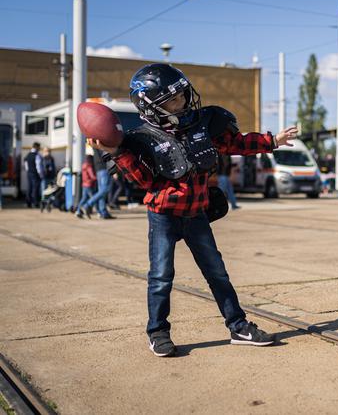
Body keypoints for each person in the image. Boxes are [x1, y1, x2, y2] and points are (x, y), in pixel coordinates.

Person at [87, 63, 297, 357]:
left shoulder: (203, 123)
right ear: (151, 105)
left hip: (196, 213)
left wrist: (272, 141)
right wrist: (116, 152)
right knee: (161, 276)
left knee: (217, 273)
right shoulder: (140, 140)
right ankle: (157, 332)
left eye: (183, 95)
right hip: (163, 216)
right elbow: (144, 181)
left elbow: (235, 143)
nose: (182, 102)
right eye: (172, 100)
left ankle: (238, 326)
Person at [79, 149, 114, 219]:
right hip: (104, 168)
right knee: (105, 189)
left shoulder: (94, 142)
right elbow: (107, 154)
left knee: (102, 191)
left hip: (98, 169)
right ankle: (88, 204)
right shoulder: (100, 141)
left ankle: (103, 212)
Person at [24, 142, 41, 208]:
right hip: (35, 173)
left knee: (29, 187)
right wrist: (40, 174)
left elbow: (26, 164)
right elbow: (38, 166)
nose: (39, 148)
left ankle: (28, 203)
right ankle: (36, 203)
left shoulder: (28, 154)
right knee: (35, 188)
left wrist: (28, 170)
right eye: (39, 147)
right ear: (36, 147)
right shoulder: (36, 155)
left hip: (29, 173)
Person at [39, 147, 57, 211]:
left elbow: (53, 167)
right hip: (45, 177)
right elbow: (40, 168)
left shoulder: (51, 158)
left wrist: (54, 175)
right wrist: (42, 175)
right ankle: (43, 203)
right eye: (46, 151)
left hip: (51, 177)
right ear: (43, 151)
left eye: (49, 151)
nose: (48, 152)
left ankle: (48, 203)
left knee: (50, 191)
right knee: (44, 191)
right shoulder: (42, 158)